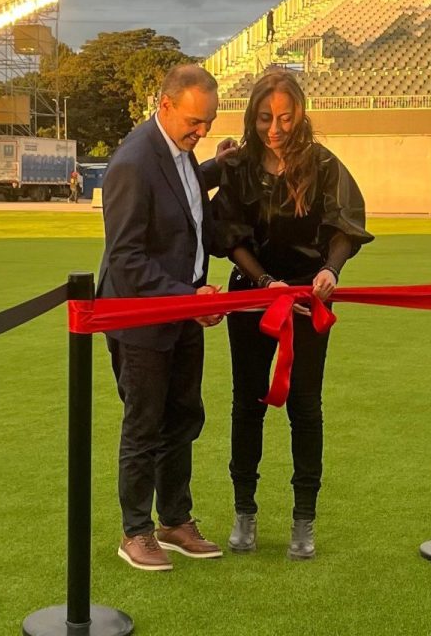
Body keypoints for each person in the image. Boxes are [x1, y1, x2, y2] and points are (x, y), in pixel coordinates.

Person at [208, 68, 371, 561]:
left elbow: (343, 227)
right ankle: (244, 511)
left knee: (305, 406)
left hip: (307, 298)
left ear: (299, 115)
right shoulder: (238, 166)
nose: (274, 128)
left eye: (283, 117)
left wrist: (331, 270)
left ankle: (304, 519)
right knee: (247, 403)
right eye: (264, 117)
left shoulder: (324, 164)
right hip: (252, 295)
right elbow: (229, 235)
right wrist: (263, 282)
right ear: (251, 117)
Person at [97, 63, 233, 572]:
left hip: (184, 313)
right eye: (195, 121)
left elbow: (184, 191)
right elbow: (126, 259)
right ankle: (136, 531)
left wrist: (217, 166)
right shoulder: (133, 162)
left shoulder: (180, 150)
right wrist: (190, 298)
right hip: (144, 318)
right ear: (165, 105)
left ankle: (175, 520)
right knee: (144, 424)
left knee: (182, 418)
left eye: (209, 122)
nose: (202, 131)